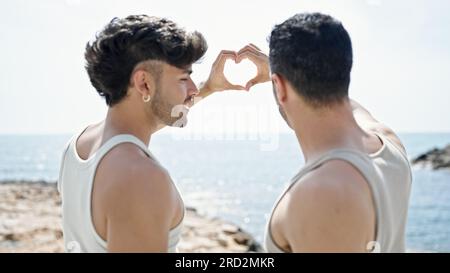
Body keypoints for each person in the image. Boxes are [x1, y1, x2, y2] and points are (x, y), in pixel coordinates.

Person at [57, 15, 267, 252]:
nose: (193, 89)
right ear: (144, 84)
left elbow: (154, 116)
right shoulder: (140, 179)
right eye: (183, 78)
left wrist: (210, 87)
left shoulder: (81, 144)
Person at [244, 12, 412, 252]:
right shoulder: (389, 142)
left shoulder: (321, 193)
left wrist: (282, 72)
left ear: (279, 87)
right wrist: (281, 72)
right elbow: (336, 98)